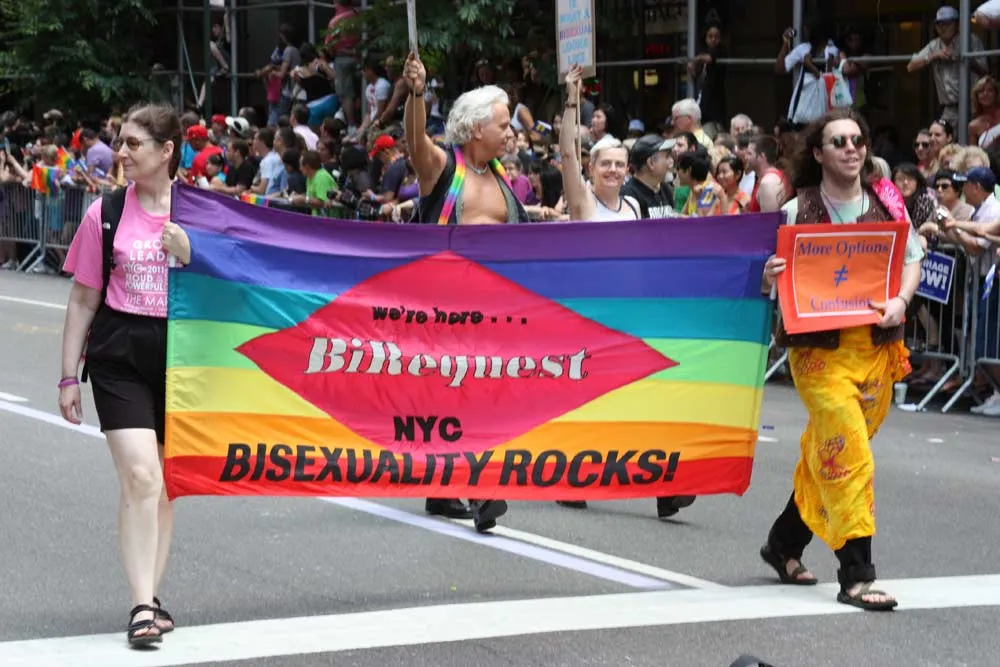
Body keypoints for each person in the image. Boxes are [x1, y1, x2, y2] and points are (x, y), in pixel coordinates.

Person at [760, 108, 924, 612]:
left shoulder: (886, 205)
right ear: (818, 153)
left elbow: (912, 260)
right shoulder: (795, 211)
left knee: (829, 451)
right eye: (839, 141)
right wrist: (768, 275)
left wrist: (901, 300)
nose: (851, 148)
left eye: (857, 140)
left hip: (875, 350)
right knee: (850, 453)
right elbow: (764, 275)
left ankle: (784, 543)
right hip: (818, 355)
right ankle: (857, 575)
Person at [59, 103, 193, 646]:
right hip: (120, 352)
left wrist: (193, 252)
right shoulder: (105, 213)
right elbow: (83, 298)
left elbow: (238, 282)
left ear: (167, 151)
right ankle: (141, 606)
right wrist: (68, 376)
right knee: (141, 476)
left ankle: (151, 594)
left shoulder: (200, 212)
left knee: (163, 488)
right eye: (120, 142)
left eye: (134, 143)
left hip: (183, 356)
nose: (122, 153)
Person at [556, 66, 696, 519]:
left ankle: (665, 487)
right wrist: (573, 101)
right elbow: (567, 154)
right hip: (590, 317)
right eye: (605, 164)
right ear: (592, 169)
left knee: (647, 397)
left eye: (619, 163)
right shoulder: (583, 202)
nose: (613, 170)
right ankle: (572, 478)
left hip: (630, 316)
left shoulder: (634, 203)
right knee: (593, 400)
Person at [403, 51, 529, 531]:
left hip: (495, 310)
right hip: (445, 308)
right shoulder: (442, 168)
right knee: (457, 394)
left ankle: (454, 486)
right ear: (477, 129)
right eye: (503, 123)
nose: (511, 132)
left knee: (484, 394)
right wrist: (417, 93)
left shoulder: (503, 180)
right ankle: (476, 487)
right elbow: (415, 140)